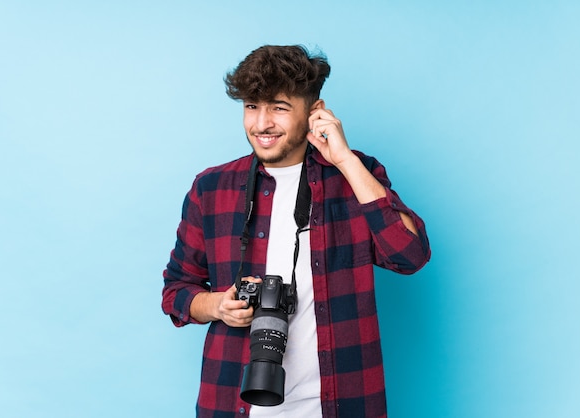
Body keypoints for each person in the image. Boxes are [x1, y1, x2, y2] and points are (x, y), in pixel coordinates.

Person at [162, 44, 430, 418]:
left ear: (315, 111)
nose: (261, 124)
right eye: (252, 107)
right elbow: (176, 290)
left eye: (279, 107)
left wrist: (345, 160)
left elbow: (410, 256)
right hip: (233, 403)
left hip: (342, 403)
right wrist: (218, 305)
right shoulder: (212, 188)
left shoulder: (356, 175)